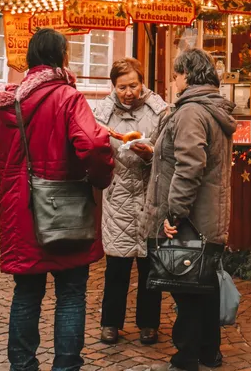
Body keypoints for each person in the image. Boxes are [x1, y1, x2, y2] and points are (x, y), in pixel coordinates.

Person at [0, 28, 114, 371]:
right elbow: (94, 144)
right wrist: (100, 179)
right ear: (61, 57)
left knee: (26, 294)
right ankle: (66, 366)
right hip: (65, 206)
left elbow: (1, 160)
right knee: (71, 295)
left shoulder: (8, 101)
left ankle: (22, 365)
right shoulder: (67, 97)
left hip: (20, 208)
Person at [146, 49, 235, 371]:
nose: (173, 81)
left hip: (192, 218)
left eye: (175, 74)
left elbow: (189, 166)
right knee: (204, 286)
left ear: (187, 74)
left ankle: (185, 359)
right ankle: (210, 353)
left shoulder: (190, 112)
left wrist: (174, 214)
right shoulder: (211, 109)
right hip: (208, 215)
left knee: (187, 292)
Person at [95, 58, 167, 346]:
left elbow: (167, 151)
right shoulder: (102, 113)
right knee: (117, 266)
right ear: (113, 86)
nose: (128, 92)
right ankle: (111, 323)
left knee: (150, 266)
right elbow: (95, 149)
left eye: (133, 85)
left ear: (142, 83)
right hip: (119, 195)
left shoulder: (159, 110)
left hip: (150, 194)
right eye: (122, 86)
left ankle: (149, 324)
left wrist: (151, 155)